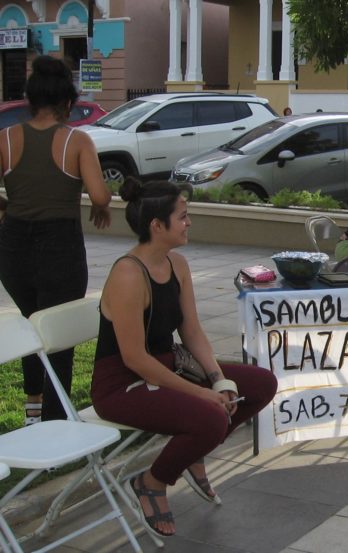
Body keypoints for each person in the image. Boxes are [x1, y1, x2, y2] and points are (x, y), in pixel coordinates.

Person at [91, 178, 277, 538]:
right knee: (211, 416)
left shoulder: (177, 264)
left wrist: (218, 379)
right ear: (157, 226)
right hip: (122, 384)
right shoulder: (128, 274)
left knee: (260, 384)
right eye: (182, 216)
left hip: (166, 367)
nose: (189, 222)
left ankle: (192, 453)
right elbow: (135, 358)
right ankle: (152, 482)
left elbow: (191, 331)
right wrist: (202, 393)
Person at [0, 55, 111, 425]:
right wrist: (101, 206)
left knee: (32, 324)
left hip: (13, 246)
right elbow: (99, 194)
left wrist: (9, 206)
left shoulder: (6, 138)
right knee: (59, 332)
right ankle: (56, 420)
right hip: (60, 245)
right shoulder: (76, 141)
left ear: (31, 99)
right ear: (67, 102)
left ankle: (33, 409)